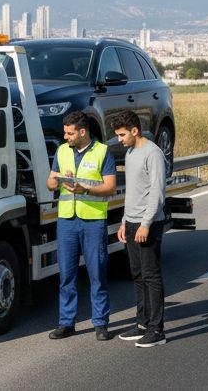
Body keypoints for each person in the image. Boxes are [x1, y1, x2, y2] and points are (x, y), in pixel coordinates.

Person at [46, 111, 117, 341]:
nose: (66, 136)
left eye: (70, 133)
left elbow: (110, 187)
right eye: (65, 132)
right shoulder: (62, 151)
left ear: (82, 132)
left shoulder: (102, 152)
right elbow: (49, 182)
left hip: (93, 221)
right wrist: (57, 180)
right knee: (66, 275)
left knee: (97, 273)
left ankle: (101, 323)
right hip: (67, 220)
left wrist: (84, 188)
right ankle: (66, 323)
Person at [113, 110, 168, 348]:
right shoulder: (131, 152)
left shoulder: (152, 153)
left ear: (135, 130)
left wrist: (145, 223)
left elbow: (157, 192)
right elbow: (133, 191)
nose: (119, 139)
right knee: (137, 274)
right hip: (133, 222)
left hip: (150, 223)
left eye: (122, 134)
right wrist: (125, 221)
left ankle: (157, 329)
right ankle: (143, 322)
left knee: (151, 275)